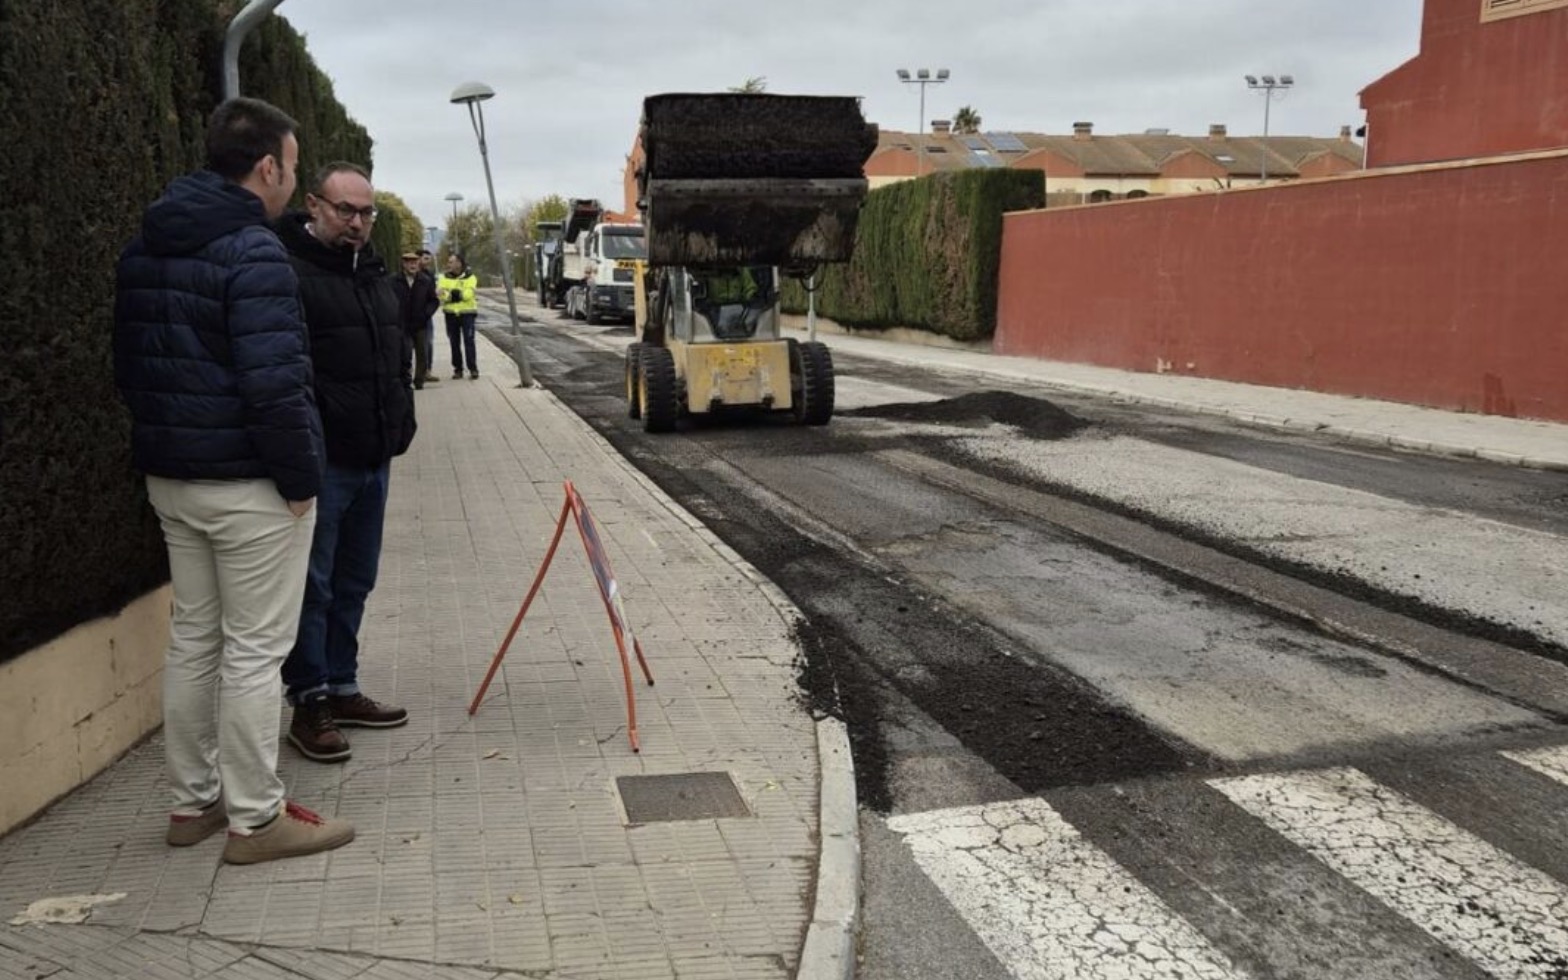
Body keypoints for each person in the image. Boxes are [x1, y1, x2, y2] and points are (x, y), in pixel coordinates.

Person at [112, 97, 355, 864]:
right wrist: (300, 480)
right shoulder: (253, 252)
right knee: (255, 650)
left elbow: (129, 368)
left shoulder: (146, 246)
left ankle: (193, 806)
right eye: (290, 163)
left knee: (194, 641)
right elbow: (276, 384)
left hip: (173, 478)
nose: (290, 177)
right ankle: (256, 818)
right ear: (267, 167)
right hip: (250, 484)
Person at [275, 162, 416, 763]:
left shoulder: (374, 275)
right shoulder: (290, 272)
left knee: (355, 581)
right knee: (314, 586)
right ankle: (309, 702)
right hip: (324, 460)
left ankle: (343, 684)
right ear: (314, 205)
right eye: (345, 211)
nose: (357, 223)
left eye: (366, 213)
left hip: (374, 455)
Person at [392, 251, 440, 389]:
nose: (412, 265)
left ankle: (419, 381)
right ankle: (405, 380)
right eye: (409, 262)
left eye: (415, 262)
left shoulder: (425, 280)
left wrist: (426, 314)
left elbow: (434, 301)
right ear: (404, 264)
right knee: (405, 353)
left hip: (420, 323)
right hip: (402, 323)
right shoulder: (394, 280)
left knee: (422, 353)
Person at [437, 252, 480, 379]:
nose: (448, 264)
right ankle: (458, 369)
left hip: (467, 314)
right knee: (454, 343)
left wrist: (452, 295)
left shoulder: (470, 277)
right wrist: (454, 295)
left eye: (451, 262)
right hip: (450, 314)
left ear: (459, 264)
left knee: (469, 341)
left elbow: (469, 295)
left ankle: (473, 368)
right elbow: (441, 294)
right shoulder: (443, 277)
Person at [417, 248, 438, 372]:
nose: (428, 262)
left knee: (427, 343)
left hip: (425, 315)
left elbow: (433, 297)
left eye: (429, 259)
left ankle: (427, 370)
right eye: (425, 259)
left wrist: (428, 312)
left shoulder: (429, 275)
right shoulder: (410, 273)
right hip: (409, 315)